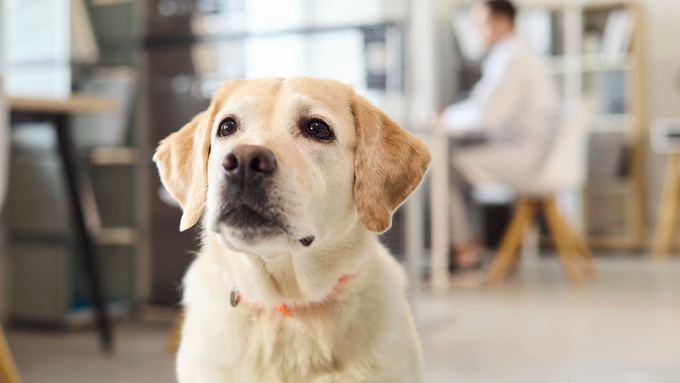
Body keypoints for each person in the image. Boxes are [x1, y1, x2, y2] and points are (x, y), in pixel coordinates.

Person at [439, 0, 557, 270]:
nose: (476, 31)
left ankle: (465, 249)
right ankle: (473, 244)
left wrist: (444, 118)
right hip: (525, 149)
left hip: (524, 155)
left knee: (446, 166)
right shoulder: (514, 55)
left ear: (501, 22)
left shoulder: (512, 59)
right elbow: (483, 108)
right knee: (458, 163)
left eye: (480, 23)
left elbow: (485, 116)